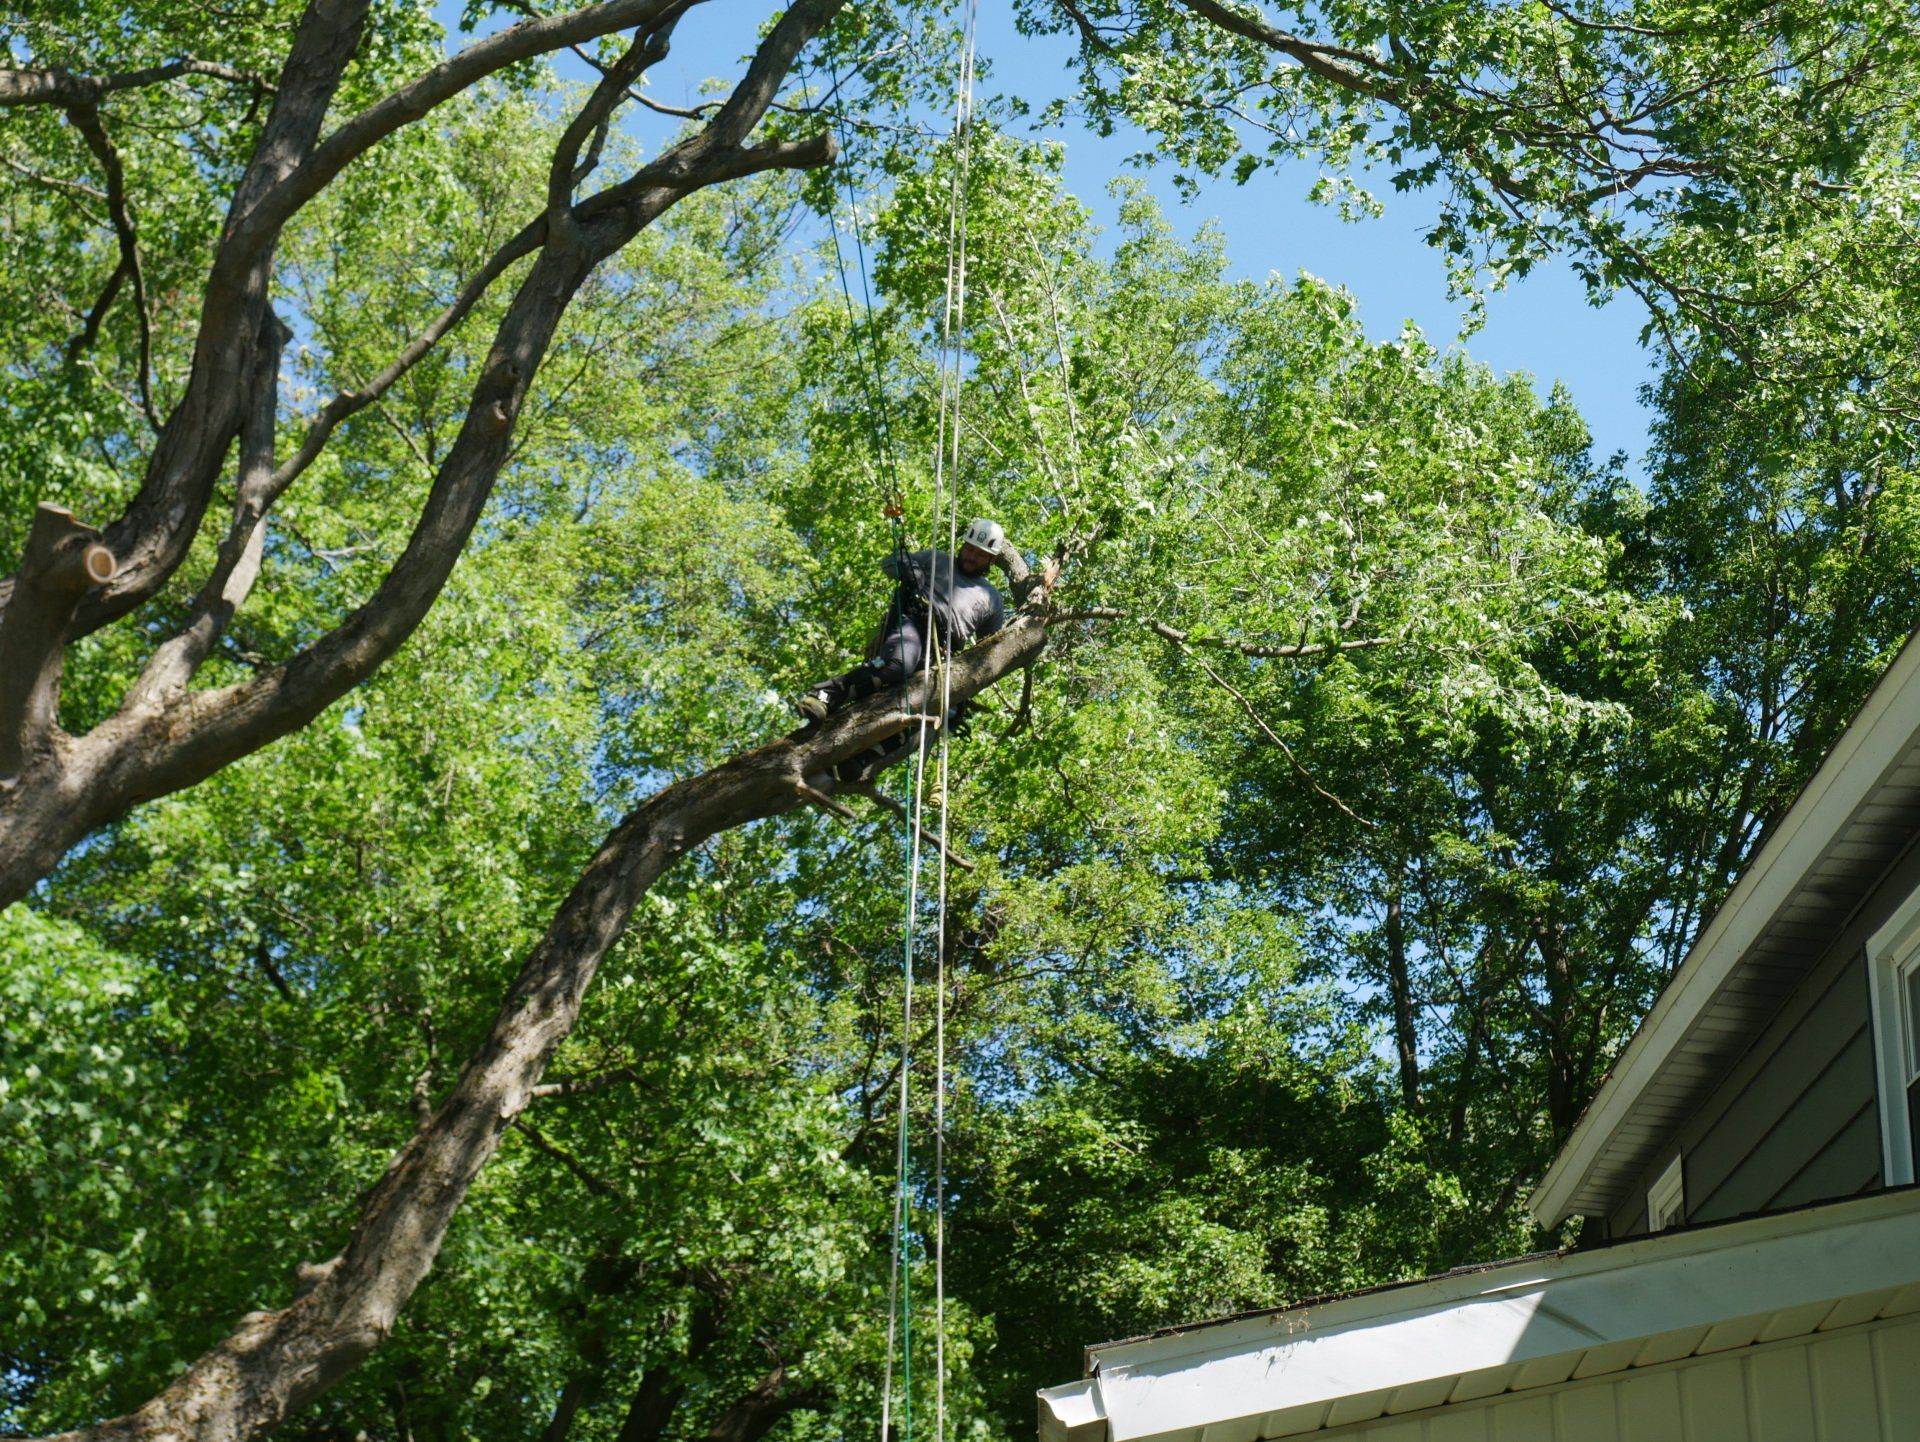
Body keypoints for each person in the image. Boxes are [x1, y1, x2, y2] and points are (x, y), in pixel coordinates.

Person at [794, 517, 1020, 723]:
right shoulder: (937, 559)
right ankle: (825, 695)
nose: (972, 556)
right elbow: (891, 561)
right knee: (899, 665)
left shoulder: (992, 598)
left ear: (991, 559)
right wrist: (910, 569)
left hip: (940, 652)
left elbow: (988, 647)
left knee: (940, 715)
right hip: (914, 620)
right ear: (962, 546)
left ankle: (856, 759)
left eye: (980, 554)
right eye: (969, 549)